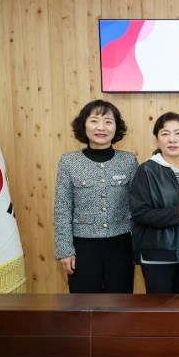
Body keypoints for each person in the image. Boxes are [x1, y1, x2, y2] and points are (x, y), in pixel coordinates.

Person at [54, 99, 138, 293]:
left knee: (121, 301)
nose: (101, 127)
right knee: (84, 303)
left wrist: (139, 247)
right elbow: (62, 208)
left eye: (108, 122)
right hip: (83, 246)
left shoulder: (129, 161)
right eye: (94, 121)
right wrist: (65, 250)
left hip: (122, 245)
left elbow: (137, 207)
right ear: (84, 125)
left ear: (116, 127)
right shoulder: (69, 162)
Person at [130, 112, 179, 294]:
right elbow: (140, 213)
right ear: (157, 140)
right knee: (159, 309)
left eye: (178, 133)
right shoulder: (147, 170)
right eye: (165, 133)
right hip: (157, 255)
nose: (172, 139)